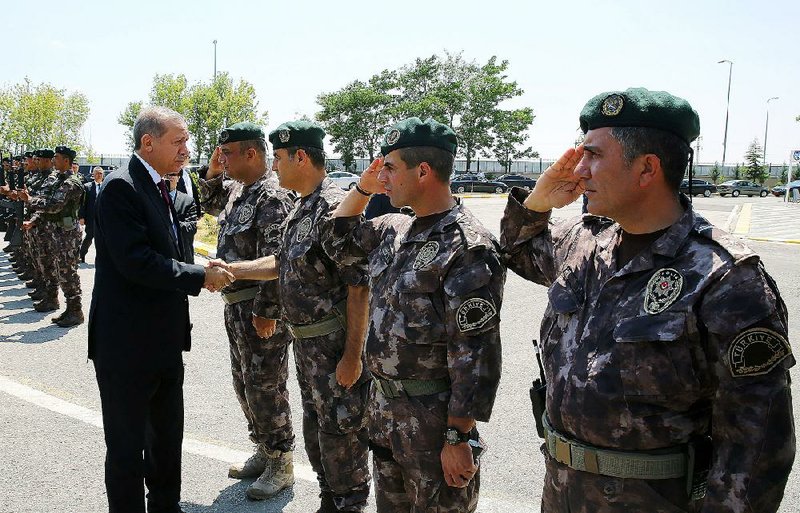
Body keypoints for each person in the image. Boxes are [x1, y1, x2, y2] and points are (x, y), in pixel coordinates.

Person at [500, 88, 795, 512]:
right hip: (563, 493)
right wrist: (538, 202)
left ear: (647, 169)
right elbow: (516, 251)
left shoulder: (727, 278)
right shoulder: (583, 241)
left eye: (594, 155)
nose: (579, 171)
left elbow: (758, 446)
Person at [327, 117, 505, 512]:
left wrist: (458, 437)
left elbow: (475, 355)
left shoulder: (468, 246)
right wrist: (361, 188)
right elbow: (337, 241)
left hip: (433, 424)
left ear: (423, 171)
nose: (382, 177)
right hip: (386, 412)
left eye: (390, 167)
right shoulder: (394, 227)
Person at [209, 120, 372, 513]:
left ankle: (346, 503)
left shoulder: (334, 207)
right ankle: (329, 501)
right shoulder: (304, 204)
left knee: (341, 436)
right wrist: (233, 270)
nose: (274, 165)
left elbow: (359, 287)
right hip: (308, 343)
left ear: (301, 156)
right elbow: (281, 262)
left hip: (332, 344)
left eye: (279, 157)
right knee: (318, 433)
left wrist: (353, 356)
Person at [88, 106, 234, 513]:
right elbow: (136, 261)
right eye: (178, 140)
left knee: (167, 441)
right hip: (126, 344)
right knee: (126, 448)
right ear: (147, 143)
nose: (186, 148)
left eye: (187, 140)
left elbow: (183, 224)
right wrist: (201, 274)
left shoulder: (165, 187)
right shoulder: (122, 187)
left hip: (165, 340)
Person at [198, 122, 296, 500]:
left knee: (266, 386)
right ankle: (264, 448)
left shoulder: (272, 197)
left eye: (228, 153)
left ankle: (281, 462)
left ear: (252, 154)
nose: (222, 159)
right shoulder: (240, 189)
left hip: (259, 307)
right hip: (235, 308)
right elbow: (208, 203)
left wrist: (268, 310)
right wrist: (212, 170)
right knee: (244, 384)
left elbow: (278, 260)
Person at [23, 146, 85, 326]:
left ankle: (76, 311)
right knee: (58, 269)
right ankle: (66, 307)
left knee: (67, 272)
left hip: (67, 235)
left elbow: (54, 205)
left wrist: (29, 200)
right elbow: (45, 199)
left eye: (56, 157)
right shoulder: (57, 179)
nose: (53, 160)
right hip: (56, 233)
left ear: (66, 160)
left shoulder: (71, 182)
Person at [165, 171, 198, 265]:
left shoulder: (187, 201)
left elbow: (192, 227)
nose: (169, 177)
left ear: (178, 178)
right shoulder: (154, 198)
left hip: (183, 256)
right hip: (161, 258)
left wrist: (170, 223)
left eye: (172, 174)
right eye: (166, 175)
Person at [79, 166, 104, 262]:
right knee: (89, 236)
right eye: (97, 173)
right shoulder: (87, 187)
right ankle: (82, 255)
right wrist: (81, 216)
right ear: (93, 175)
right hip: (91, 217)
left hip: (103, 217)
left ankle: (102, 258)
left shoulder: (106, 185)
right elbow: (82, 203)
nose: (99, 175)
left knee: (103, 239)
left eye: (100, 173)